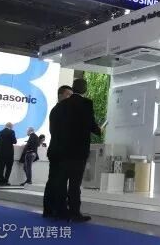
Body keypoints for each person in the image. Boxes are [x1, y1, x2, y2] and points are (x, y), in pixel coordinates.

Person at [48, 79, 101, 222]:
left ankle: (60, 211)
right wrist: (99, 130)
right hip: (78, 151)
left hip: (62, 151)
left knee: (61, 182)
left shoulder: (61, 106)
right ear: (85, 89)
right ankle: (74, 212)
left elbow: (54, 129)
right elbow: (90, 124)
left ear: (73, 88)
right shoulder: (86, 103)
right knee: (75, 184)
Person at [43, 85, 73, 218]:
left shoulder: (57, 110)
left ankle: (50, 209)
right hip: (59, 151)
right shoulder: (60, 110)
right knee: (58, 181)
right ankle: (58, 209)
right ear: (60, 95)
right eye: (68, 95)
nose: (70, 98)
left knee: (54, 180)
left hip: (56, 150)